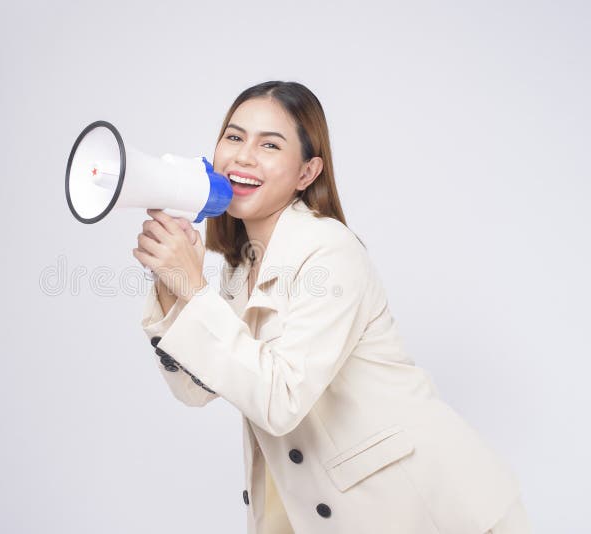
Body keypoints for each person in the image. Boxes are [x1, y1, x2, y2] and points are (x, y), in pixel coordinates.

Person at [132, 81, 532, 534]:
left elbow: (281, 400)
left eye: (269, 144)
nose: (243, 156)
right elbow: (195, 390)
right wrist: (174, 286)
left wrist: (196, 290)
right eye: (234, 136)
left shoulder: (331, 252)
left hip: (431, 510)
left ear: (307, 173)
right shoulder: (241, 266)